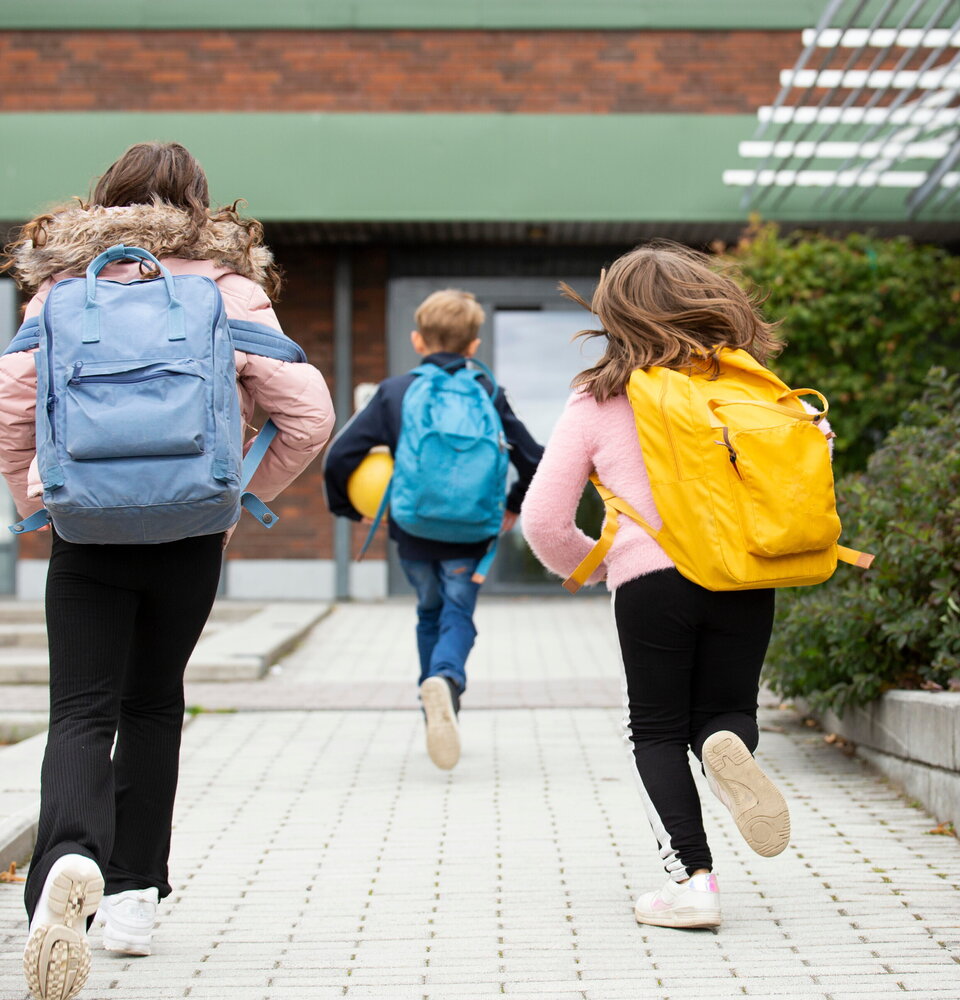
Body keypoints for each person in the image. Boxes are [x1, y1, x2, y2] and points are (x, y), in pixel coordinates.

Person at [0, 141, 334, 999]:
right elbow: (309, 412)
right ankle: (135, 897)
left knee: (79, 707)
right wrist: (240, 495)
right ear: (200, 205)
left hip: (85, 530)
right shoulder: (228, 288)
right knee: (153, 704)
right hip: (190, 533)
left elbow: (8, 404)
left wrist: (33, 501)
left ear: (103, 199)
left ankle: (66, 860)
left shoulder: (64, 287)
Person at [520, 242, 794, 930]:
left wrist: (597, 563)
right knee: (727, 712)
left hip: (653, 579)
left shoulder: (599, 397)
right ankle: (725, 749)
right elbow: (809, 458)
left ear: (618, 316)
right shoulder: (750, 385)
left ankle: (693, 882)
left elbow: (544, 519)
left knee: (655, 729)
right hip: (744, 574)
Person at [324, 289, 543, 770]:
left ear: (418, 341)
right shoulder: (487, 392)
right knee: (457, 613)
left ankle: (434, 703)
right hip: (472, 533)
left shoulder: (396, 392)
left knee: (428, 612)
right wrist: (512, 506)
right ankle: (446, 680)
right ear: (474, 346)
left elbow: (340, 456)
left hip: (414, 530)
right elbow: (535, 460)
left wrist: (347, 508)